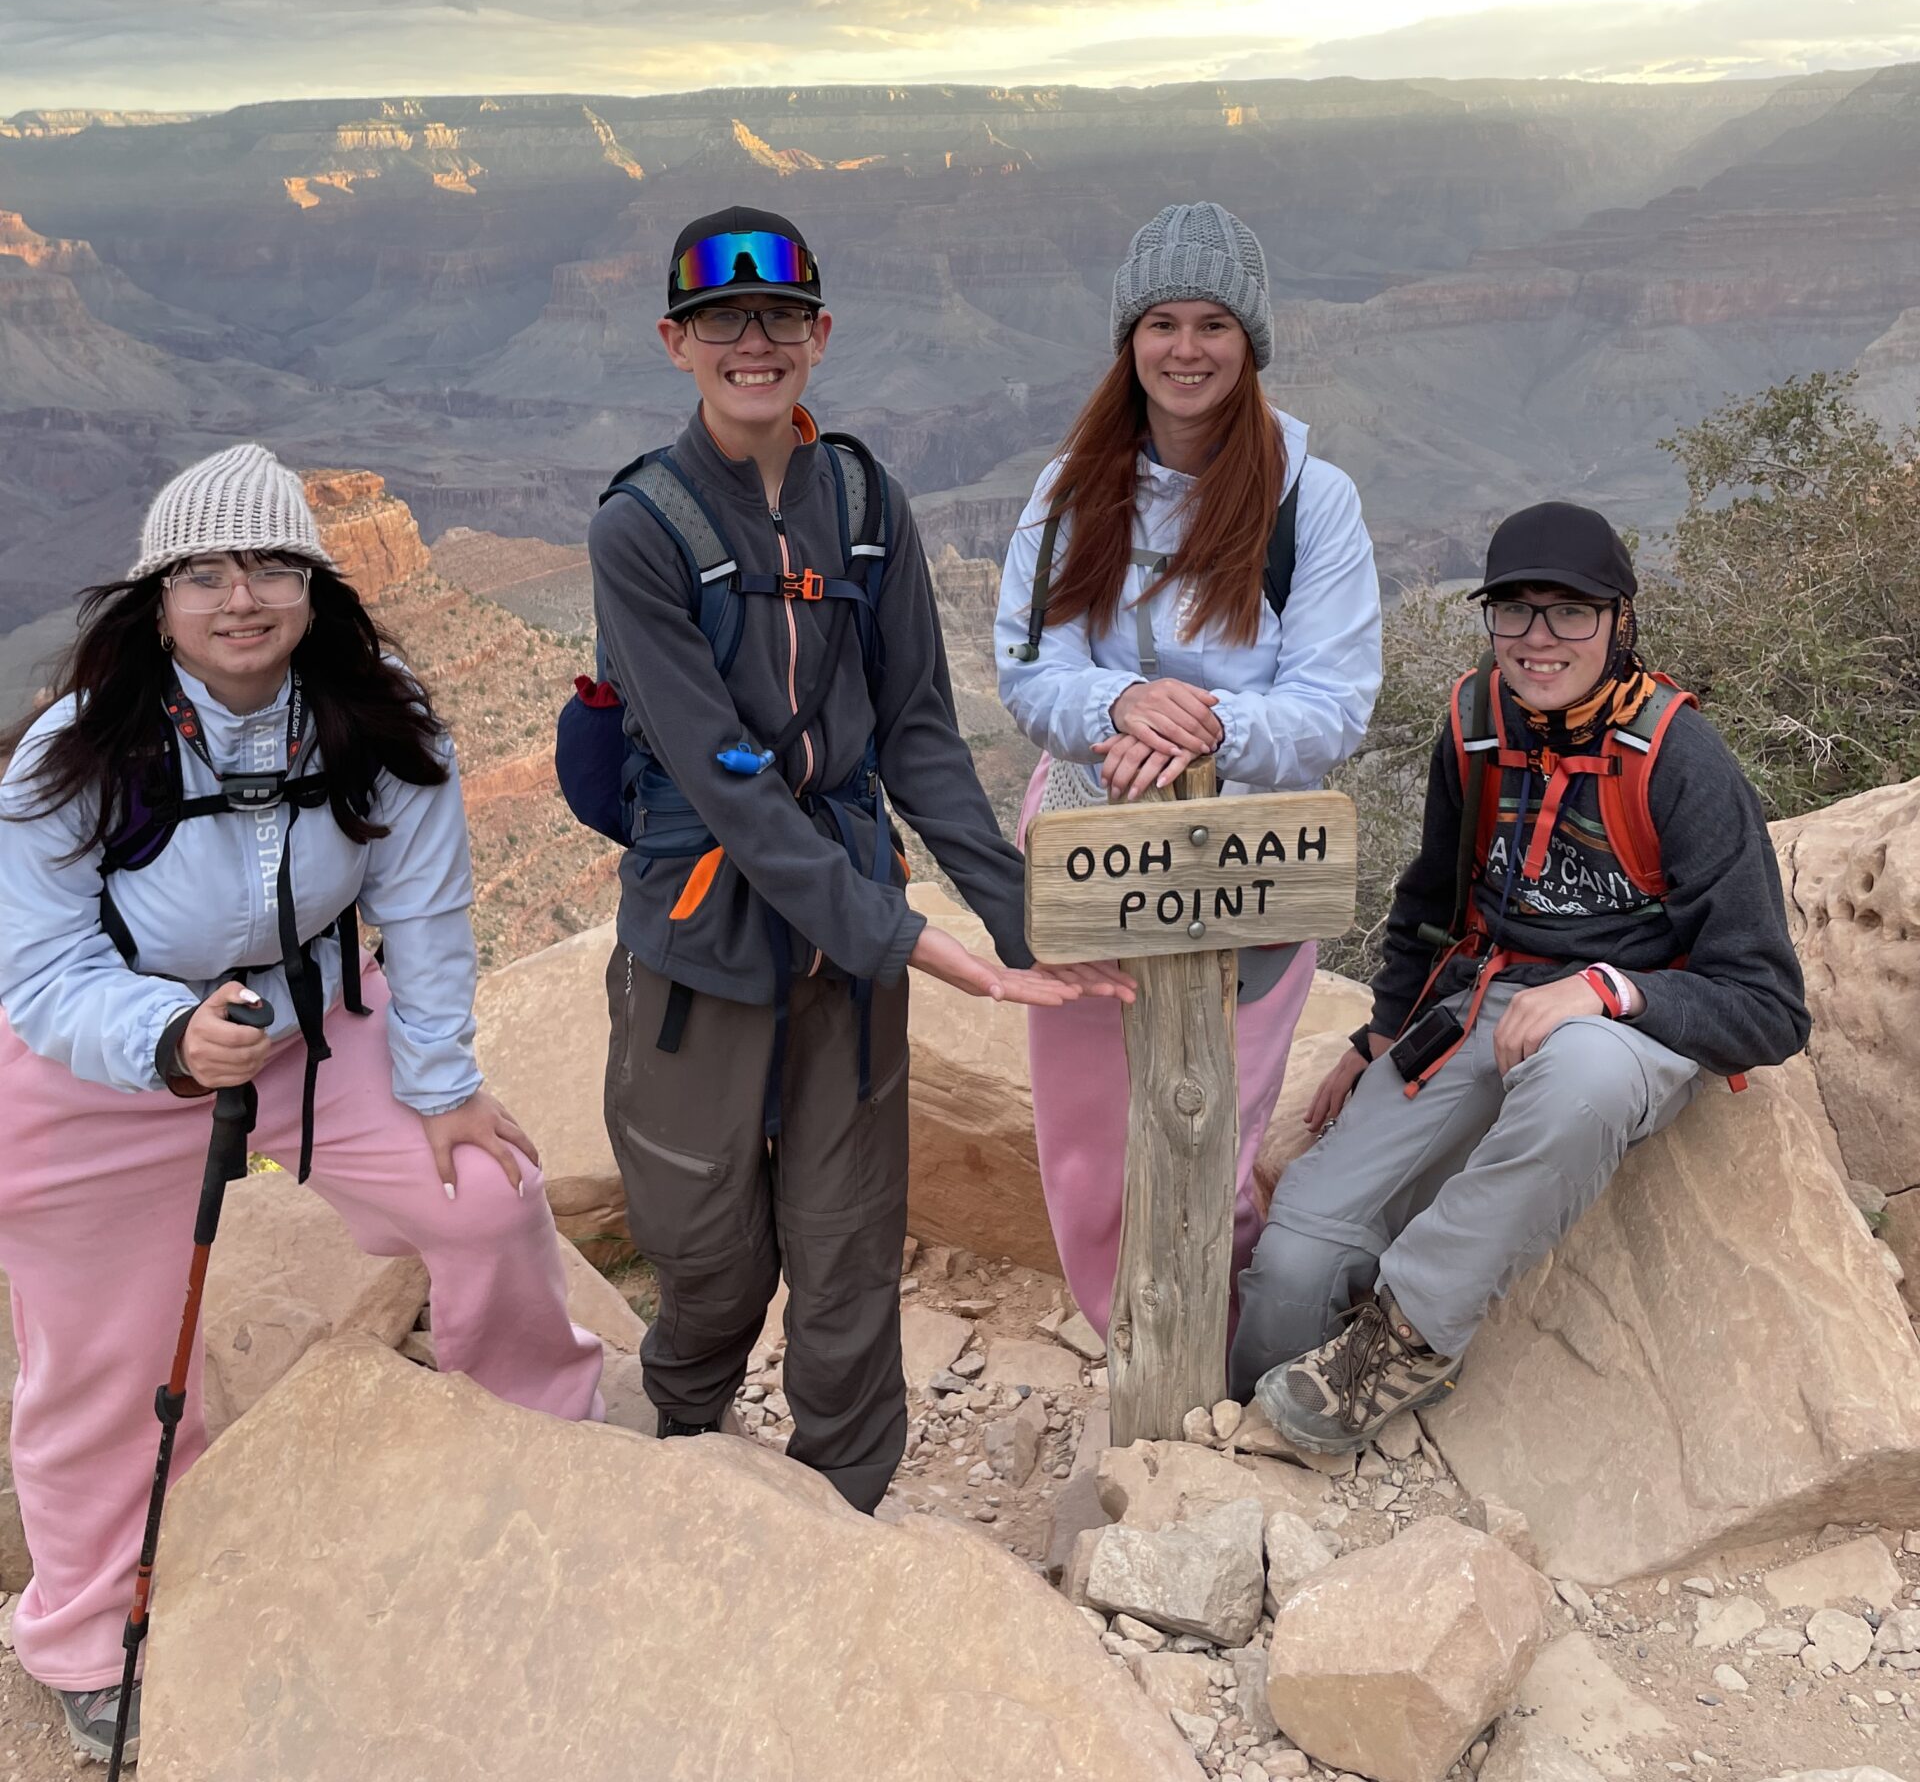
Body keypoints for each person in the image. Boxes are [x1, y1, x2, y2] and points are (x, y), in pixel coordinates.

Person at [0, 442, 601, 1766]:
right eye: (203, 573)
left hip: (310, 1031)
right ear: (156, 597)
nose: (240, 598)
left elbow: (427, 915)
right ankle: (93, 1634)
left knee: (489, 1198)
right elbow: (39, 972)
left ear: (314, 585)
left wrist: (441, 1082)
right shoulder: (75, 750)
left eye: (271, 565)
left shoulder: (376, 720)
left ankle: (550, 1443)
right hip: (100, 1067)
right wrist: (163, 1039)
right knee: (99, 1365)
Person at [587, 206, 1122, 1516]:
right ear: (674, 341)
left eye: (780, 317)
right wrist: (921, 944)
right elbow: (728, 785)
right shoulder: (640, 529)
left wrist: (1022, 920)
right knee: (706, 1245)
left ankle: (844, 1501)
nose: (753, 342)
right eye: (721, 319)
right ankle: (685, 1445)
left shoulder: (869, 505)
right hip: (703, 942)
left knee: (846, 1248)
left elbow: (921, 735)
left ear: (820, 334)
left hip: (845, 956)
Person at [1231, 499, 1812, 1449]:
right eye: (1515, 610)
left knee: (1583, 1073)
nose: (1540, 639)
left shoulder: (1678, 757)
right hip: (1485, 998)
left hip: (1629, 1019)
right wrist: (1380, 1034)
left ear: (1621, 621)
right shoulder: (1476, 723)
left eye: (1571, 611)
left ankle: (1408, 1339)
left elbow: (1769, 1006)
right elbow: (1432, 898)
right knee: (1297, 1258)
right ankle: (1250, 1420)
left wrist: (1606, 990)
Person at [994, 201, 1382, 1335]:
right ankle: (1130, 1346)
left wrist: (1198, 728)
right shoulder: (1071, 491)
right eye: (1162, 322)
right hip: (1093, 843)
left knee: (1213, 1128)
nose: (1187, 349)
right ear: (1130, 340)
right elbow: (1030, 669)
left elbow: (1333, 703)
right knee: (1087, 1153)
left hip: (1250, 858)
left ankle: (1215, 1354)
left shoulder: (1313, 500)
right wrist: (1119, 703)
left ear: (1250, 341)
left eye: (1214, 323)